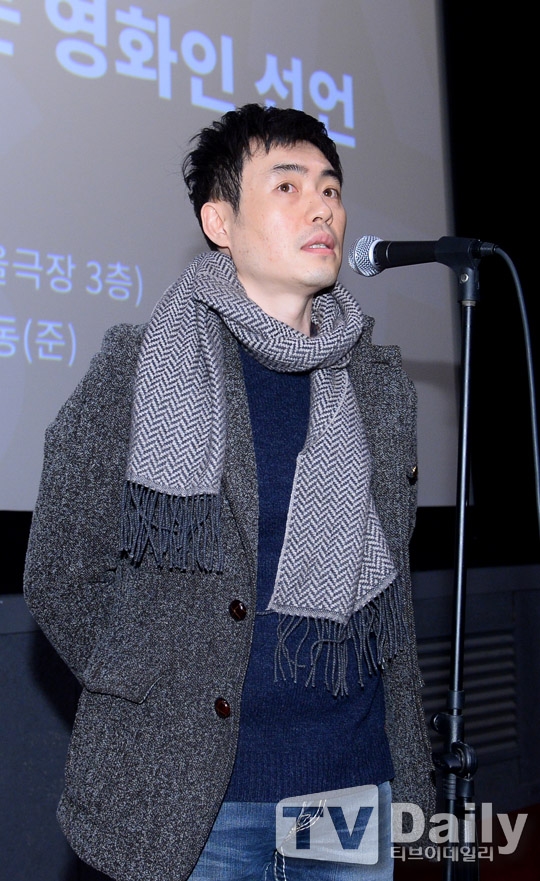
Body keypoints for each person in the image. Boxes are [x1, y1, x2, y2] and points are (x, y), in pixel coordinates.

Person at [24, 103, 435, 881]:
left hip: (350, 793)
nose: (322, 207)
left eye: (331, 188)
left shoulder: (377, 387)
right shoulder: (143, 366)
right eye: (288, 186)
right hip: (195, 804)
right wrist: (154, 691)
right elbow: (61, 569)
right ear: (220, 221)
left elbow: (393, 604)